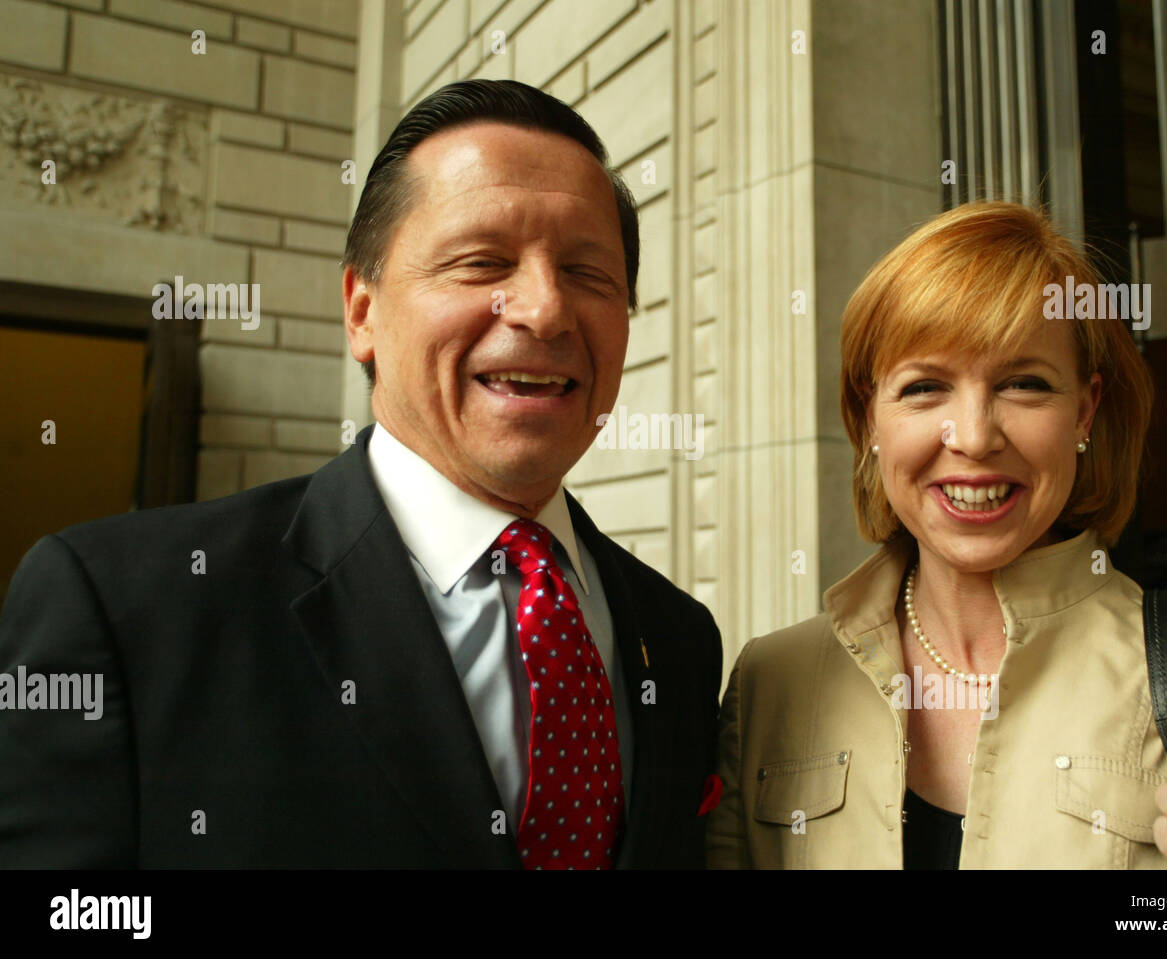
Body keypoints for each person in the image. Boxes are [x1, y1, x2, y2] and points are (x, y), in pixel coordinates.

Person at [0, 80, 722, 869]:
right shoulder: (124, 607)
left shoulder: (679, 640)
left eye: (589, 273)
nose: (546, 310)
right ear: (361, 310)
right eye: (482, 261)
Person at [705, 202, 1167, 869]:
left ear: (1085, 409)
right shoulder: (769, 683)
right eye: (925, 386)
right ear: (869, 416)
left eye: (1024, 383)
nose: (976, 435)